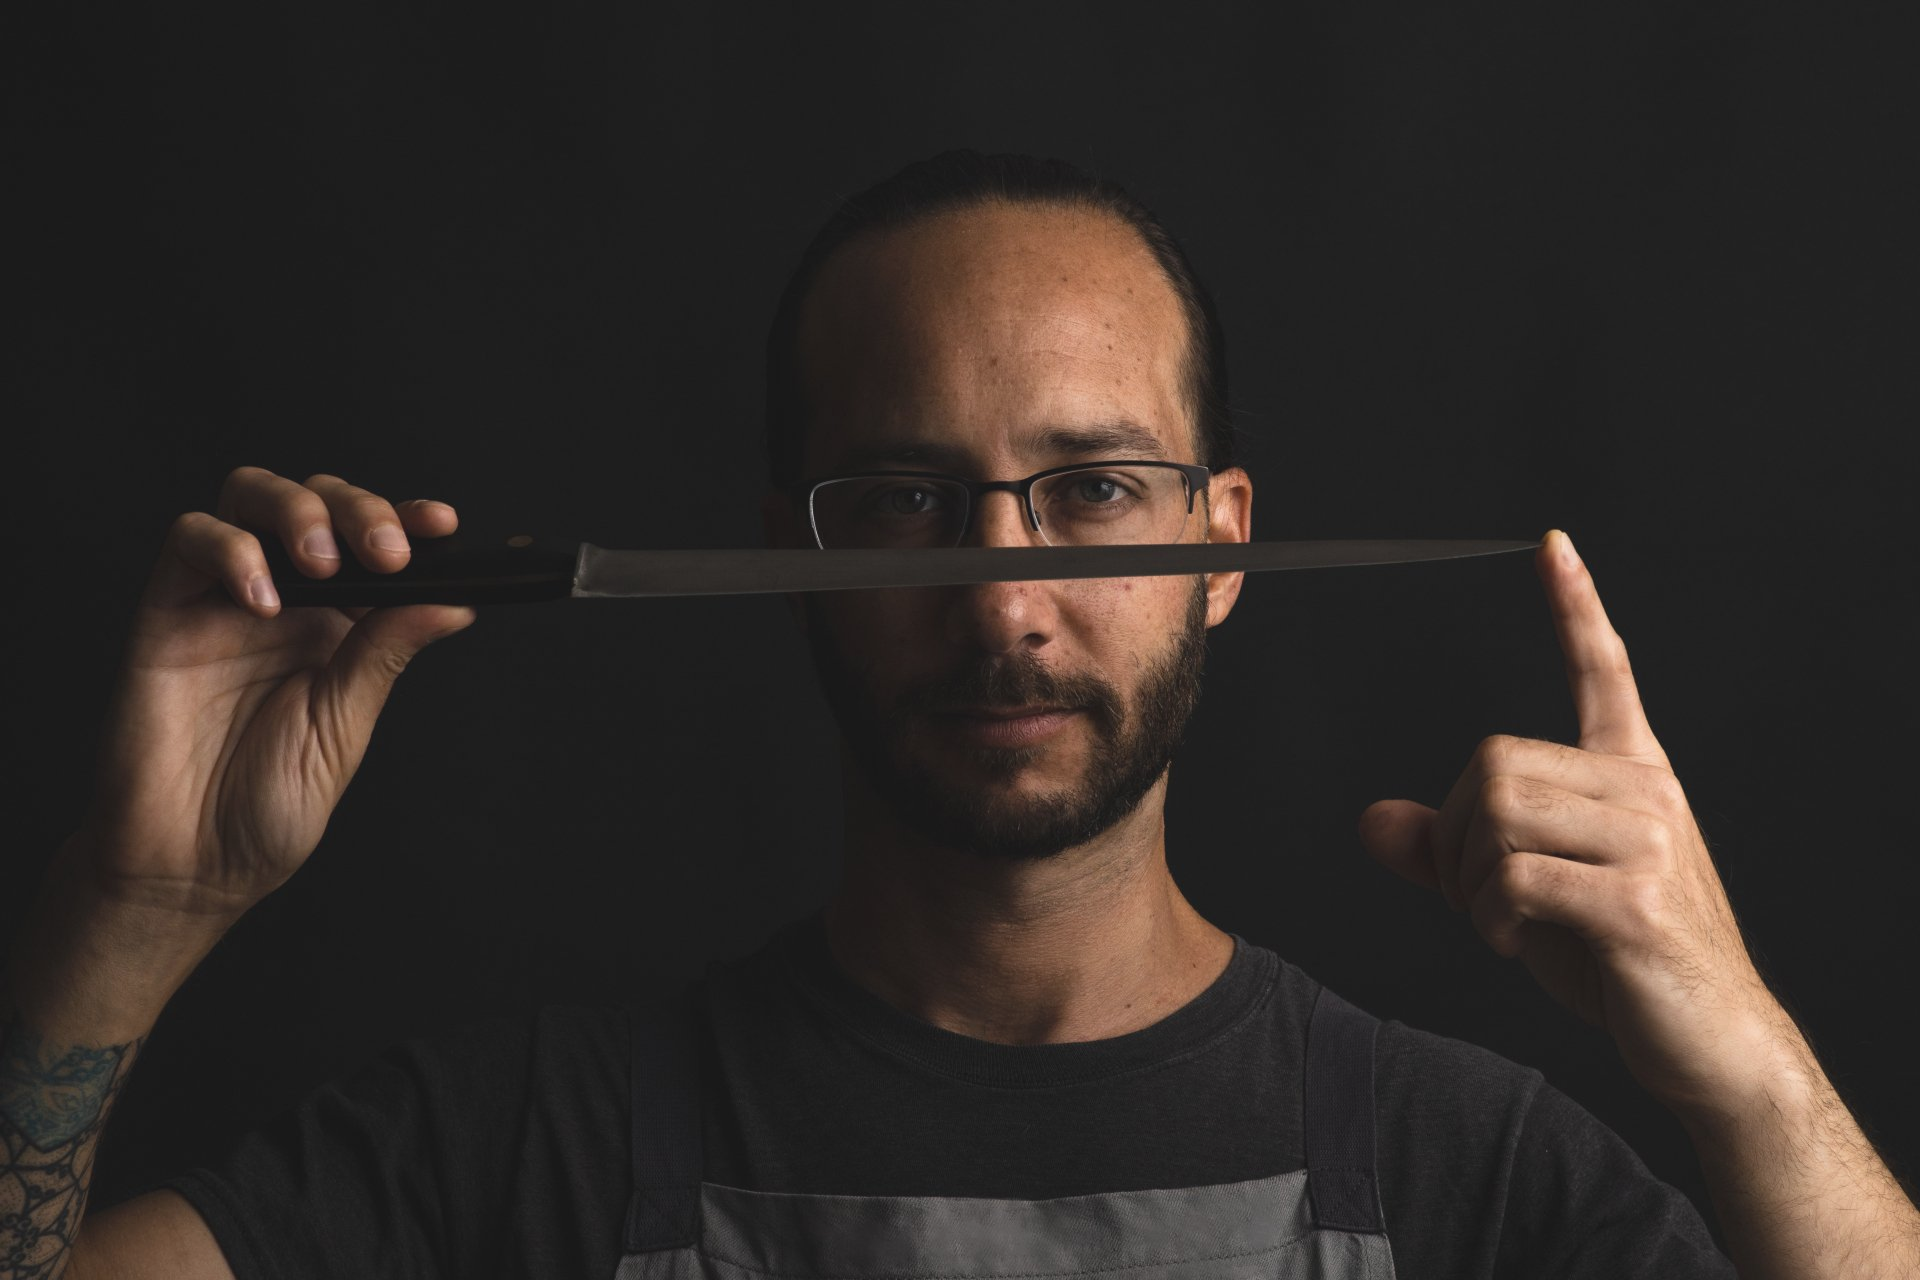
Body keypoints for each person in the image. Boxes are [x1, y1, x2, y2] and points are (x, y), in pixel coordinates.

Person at [2, 151, 1914, 1280]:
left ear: (1222, 544)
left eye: (1096, 491)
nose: (1005, 602)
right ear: (794, 554)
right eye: (907, 503)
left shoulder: (1462, 1167)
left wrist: (1751, 1064)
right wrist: (136, 906)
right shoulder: (530, 1144)